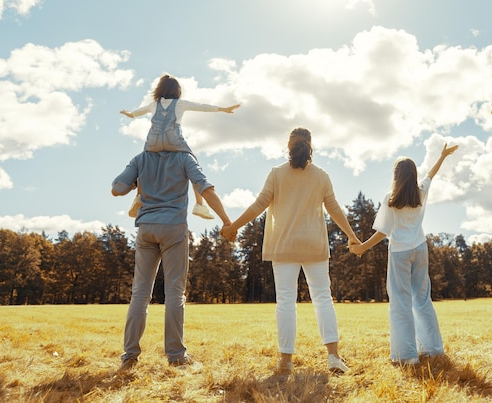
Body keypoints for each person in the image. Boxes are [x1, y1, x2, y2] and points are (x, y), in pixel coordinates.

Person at [220, 128, 360, 374]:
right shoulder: (321, 176)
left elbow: (258, 206)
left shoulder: (276, 174)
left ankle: (286, 361)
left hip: (283, 247)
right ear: (310, 147)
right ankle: (334, 357)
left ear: (289, 147)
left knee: (285, 302)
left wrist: (233, 227)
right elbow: (335, 209)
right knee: (323, 299)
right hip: (314, 246)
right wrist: (352, 235)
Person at [111, 149, 231, 372]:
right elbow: (205, 187)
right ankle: (176, 356)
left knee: (140, 294)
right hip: (174, 228)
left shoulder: (140, 158)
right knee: (175, 292)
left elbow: (117, 188)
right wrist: (226, 220)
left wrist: (136, 182)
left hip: (146, 227)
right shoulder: (184, 158)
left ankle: (129, 358)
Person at [349, 143, 459, 366]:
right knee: (422, 299)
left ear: (396, 176)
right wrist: (442, 156)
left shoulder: (390, 198)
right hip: (420, 249)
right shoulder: (421, 192)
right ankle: (434, 349)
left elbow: (383, 231)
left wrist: (361, 248)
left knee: (400, 302)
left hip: (400, 252)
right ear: (413, 175)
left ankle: (407, 355)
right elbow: (431, 174)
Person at [120, 73, 240, 219]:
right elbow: (202, 107)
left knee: (144, 164)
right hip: (173, 140)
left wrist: (129, 114)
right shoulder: (180, 103)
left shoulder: (154, 105)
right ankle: (200, 205)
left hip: (153, 141)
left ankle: (139, 196)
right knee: (191, 163)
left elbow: (137, 113)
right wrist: (223, 109)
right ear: (177, 91)